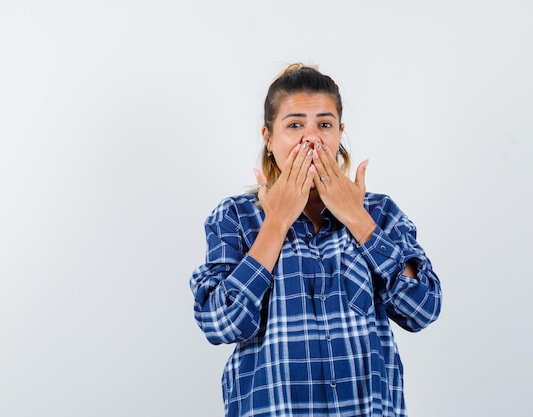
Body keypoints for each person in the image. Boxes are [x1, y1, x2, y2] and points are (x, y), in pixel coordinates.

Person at [189, 63, 442, 417]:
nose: (312, 138)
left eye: (324, 124)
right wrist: (276, 222)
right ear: (268, 137)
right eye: (294, 125)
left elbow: (423, 309)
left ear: (340, 132)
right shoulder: (235, 217)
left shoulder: (379, 212)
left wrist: (357, 218)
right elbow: (220, 323)